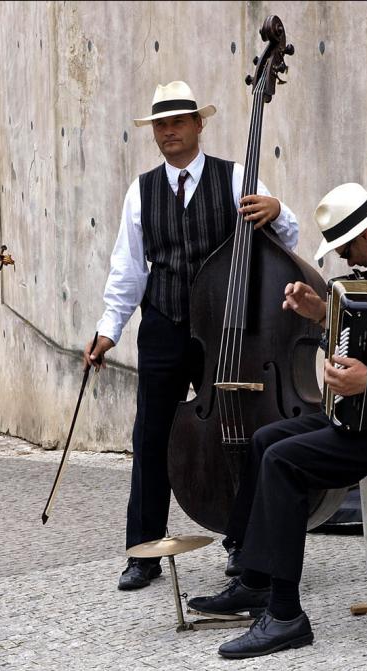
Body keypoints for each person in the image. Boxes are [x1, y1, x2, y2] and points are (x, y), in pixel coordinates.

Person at [187, 182, 367, 658]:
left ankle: (286, 616)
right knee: (267, 439)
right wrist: (324, 316)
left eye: (344, 249)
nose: (346, 261)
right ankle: (256, 580)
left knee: (285, 461)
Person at [83, 81, 301, 591]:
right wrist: (108, 330)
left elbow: (284, 240)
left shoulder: (235, 175)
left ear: (199, 125)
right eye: (161, 123)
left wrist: (279, 210)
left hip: (226, 326)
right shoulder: (142, 189)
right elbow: (128, 269)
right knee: (150, 436)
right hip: (163, 323)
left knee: (236, 429)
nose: (169, 131)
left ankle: (242, 541)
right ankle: (144, 550)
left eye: (179, 121)